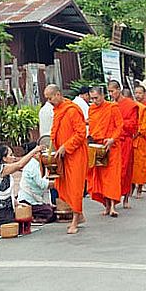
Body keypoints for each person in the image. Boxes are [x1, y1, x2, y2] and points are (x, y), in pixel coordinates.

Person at [45, 84, 88, 234]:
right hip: (62, 155)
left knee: (75, 187)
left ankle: (75, 220)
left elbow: (81, 133)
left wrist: (66, 146)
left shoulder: (71, 110)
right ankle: (79, 215)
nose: (49, 101)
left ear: (58, 94)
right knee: (63, 185)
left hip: (75, 154)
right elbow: (55, 130)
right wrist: (52, 148)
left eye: (50, 98)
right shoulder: (58, 111)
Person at [0, 143, 42, 238]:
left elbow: (6, 194)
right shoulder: (2, 169)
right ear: (4, 158)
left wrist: (18, 203)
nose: (13, 157)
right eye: (11, 155)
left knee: (24, 224)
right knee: (17, 228)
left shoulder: (6, 171)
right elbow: (20, 164)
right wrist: (34, 151)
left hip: (6, 210)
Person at [87, 86, 123, 217]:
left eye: (96, 98)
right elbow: (92, 128)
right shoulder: (91, 109)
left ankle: (113, 206)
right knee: (100, 177)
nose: (94, 101)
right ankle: (106, 205)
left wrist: (112, 139)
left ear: (103, 96)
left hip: (111, 147)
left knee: (112, 177)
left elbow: (119, 125)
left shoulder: (112, 107)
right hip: (97, 147)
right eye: (92, 99)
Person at [108, 81, 138, 209]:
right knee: (113, 171)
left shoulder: (130, 105)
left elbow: (133, 125)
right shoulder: (109, 106)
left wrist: (119, 123)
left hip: (125, 141)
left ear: (119, 89)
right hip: (113, 142)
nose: (111, 94)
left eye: (112, 91)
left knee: (125, 170)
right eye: (109, 91)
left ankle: (125, 197)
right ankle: (112, 201)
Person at [17, 142, 56, 224]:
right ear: (34, 154)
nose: (42, 154)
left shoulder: (39, 164)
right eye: (40, 152)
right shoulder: (32, 165)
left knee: (53, 209)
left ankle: (36, 215)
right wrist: (58, 184)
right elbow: (42, 184)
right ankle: (33, 217)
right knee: (50, 213)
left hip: (36, 200)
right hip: (27, 201)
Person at [131, 86, 146, 198]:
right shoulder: (131, 106)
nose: (138, 95)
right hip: (130, 140)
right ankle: (131, 188)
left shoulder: (143, 108)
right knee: (132, 165)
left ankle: (139, 187)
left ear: (144, 94)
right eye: (136, 93)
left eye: (140, 93)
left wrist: (136, 133)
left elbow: (144, 126)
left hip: (140, 140)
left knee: (141, 165)